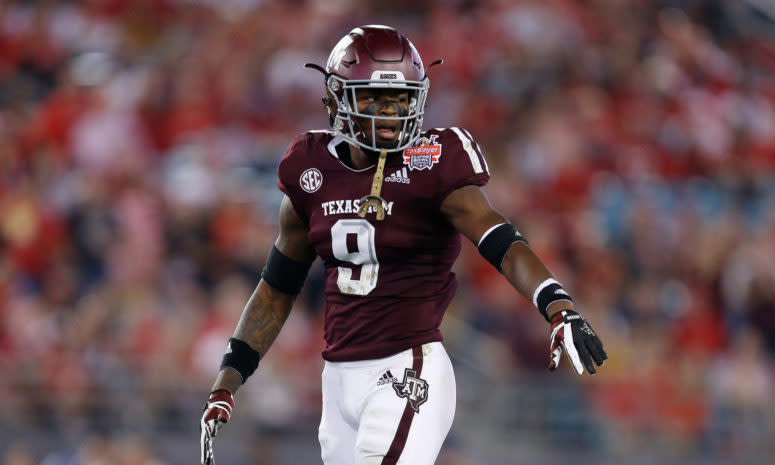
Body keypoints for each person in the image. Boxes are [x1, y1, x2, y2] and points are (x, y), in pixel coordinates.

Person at [200, 25, 607, 465]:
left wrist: (557, 304)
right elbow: (277, 288)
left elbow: (497, 236)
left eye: (401, 99)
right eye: (376, 98)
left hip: (408, 369)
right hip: (336, 380)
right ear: (338, 98)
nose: (391, 112)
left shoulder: (432, 159)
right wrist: (228, 379)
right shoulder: (309, 167)